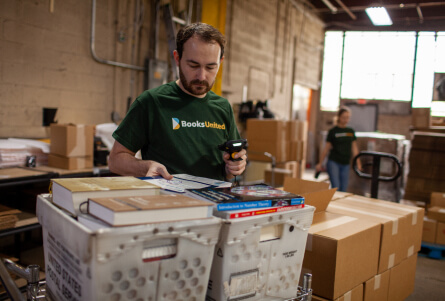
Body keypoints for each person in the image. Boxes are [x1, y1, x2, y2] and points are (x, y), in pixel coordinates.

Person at [108, 22, 246, 181]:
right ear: (177, 58)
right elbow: (115, 160)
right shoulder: (151, 102)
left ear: (220, 62)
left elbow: (229, 171)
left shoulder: (223, 107)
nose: (201, 76)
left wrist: (235, 166)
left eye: (210, 67)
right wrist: (146, 166)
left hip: (213, 203)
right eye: (193, 65)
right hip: (169, 203)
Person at [315, 106, 361, 192]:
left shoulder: (350, 131)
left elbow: (354, 148)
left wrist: (358, 163)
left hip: (345, 163)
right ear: (339, 117)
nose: (346, 120)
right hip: (334, 162)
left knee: (343, 188)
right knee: (336, 187)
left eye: (347, 118)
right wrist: (320, 163)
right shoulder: (333, 131)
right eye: (344, 117)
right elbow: (326, 148)